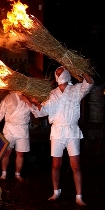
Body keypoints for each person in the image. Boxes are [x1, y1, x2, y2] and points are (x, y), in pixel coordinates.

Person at [27, 66, 94, 206]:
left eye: (62, 71)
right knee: (56, 164)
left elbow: (89, 83)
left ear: (68, 73)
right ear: (56, 76)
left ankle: (79, 196)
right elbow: (42, 111)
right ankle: (56, 192)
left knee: (75, 165)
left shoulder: (76, 89)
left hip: (72, 131)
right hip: (57, 132)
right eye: (57, 72)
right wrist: (34, 102)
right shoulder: (52, 93)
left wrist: (79, 69)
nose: (59, 73)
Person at [0, 91, 32, 182]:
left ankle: (18, 174)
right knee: (6, 152)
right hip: (9, 129)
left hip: (23, 129)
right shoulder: (9, 97)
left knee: (20, 153)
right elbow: (1, 111)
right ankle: (3, 174)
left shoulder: (30, 96)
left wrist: (29, 101)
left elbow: (36, 110)